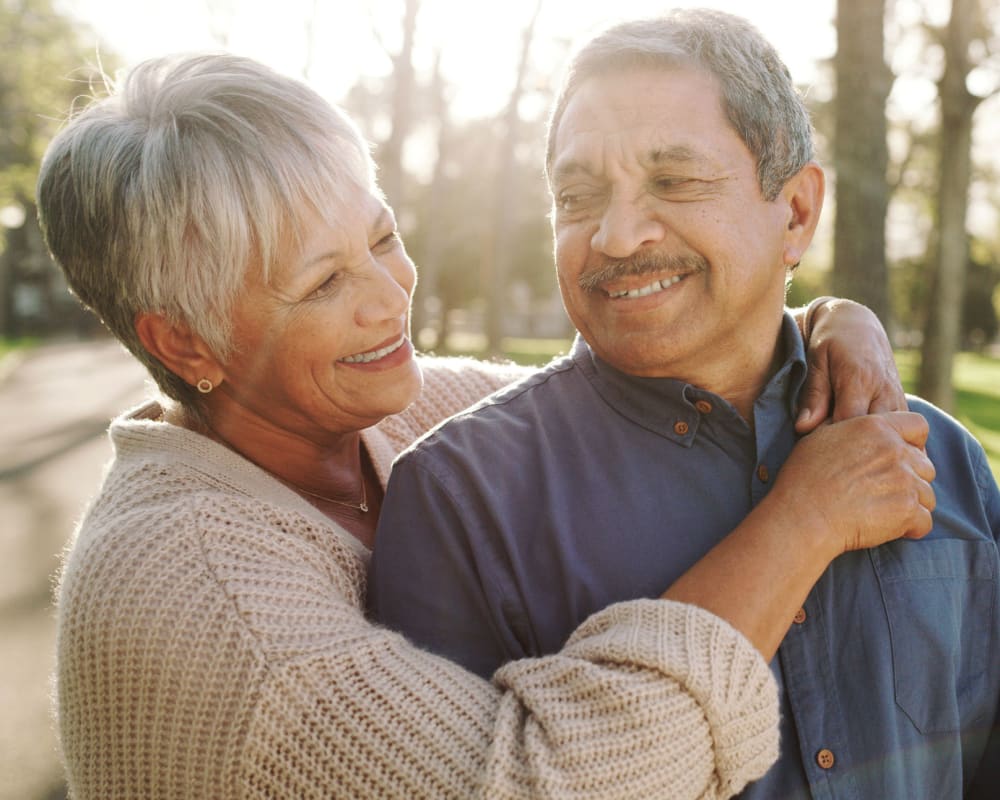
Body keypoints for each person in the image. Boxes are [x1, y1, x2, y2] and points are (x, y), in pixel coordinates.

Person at [38, 53, 923, 800]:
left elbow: (654, 372)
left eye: (382, 241)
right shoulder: (190, 588)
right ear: (184, 340)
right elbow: (554, 780)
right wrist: (807, 520)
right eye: (322, 286)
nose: (391, 300)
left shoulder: (393, 409)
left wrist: (823, 323)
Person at [371, 9, 1000, 799]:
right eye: (578, 194)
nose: (617, 234)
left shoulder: (941, 458)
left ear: (796, 213)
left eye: (674, 182)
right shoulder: (461, 500)